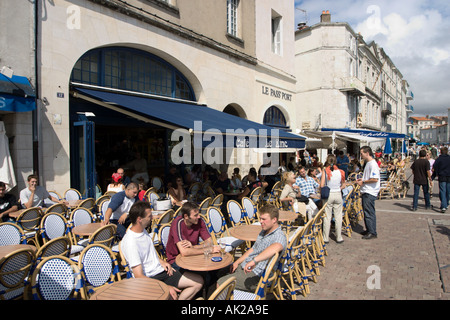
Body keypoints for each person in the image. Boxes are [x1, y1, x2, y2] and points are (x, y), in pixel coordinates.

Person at [121, 201, 204, 300]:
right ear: (139, 219)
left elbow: (148, 255)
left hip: (161, 271)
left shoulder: (142, 231)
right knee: (170, 295)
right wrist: (164, 287)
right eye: (149, 216)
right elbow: (139, 276)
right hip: (149, 279)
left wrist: (162, 261)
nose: (152, 218)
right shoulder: (131, 242)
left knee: (198, 282)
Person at [217, 204, 287, 292]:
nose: (261, 221)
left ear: (274, 220)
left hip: (257, 276)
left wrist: (254, 261)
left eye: (264, 219)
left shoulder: (279, 236)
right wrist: (237, 262)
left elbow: (277, 246)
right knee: (219, 272)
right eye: (260, 219)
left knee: (221, 283)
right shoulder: (264, 231)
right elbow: (253, 249)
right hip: (246, 267)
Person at [165, 201, 219, 266]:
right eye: (195, 215)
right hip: (176, 259)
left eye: (198, 214)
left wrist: (193, 247)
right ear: (186, 216)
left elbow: (209, 242)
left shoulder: (199, 221)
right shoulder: (178, 223)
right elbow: (184, 252)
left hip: (194, 255)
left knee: (215, 265)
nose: (199, 217)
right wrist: (209, 250)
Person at [356, 146, 381, 240]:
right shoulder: (369, 163)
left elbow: (374, 179)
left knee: (369, 212)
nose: (361, 155)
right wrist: (363, 179)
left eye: (362, 153)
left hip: (369, 191)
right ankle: (369, 229)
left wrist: (363, 182)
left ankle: (372, 232)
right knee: (367, 211)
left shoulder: (372, 164)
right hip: (367, 190)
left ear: (367, 153)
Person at [320, 155, 346, 244]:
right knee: (338, 216)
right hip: (338, 194)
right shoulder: (341, 171)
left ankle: (325, 237)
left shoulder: (325, 171)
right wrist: (338, 188)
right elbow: (343, 185)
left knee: (327, 217)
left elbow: (322, 185)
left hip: (329, 194)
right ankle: (339, 237)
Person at [431, 146, 450, 213]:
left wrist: (433, 177)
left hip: (442, 176)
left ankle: (443, 206)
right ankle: (446, 203)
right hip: (449, 176)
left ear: (441, 152)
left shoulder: (438, 159)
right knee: (448, 191)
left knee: (442, 191)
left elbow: (435, 168)